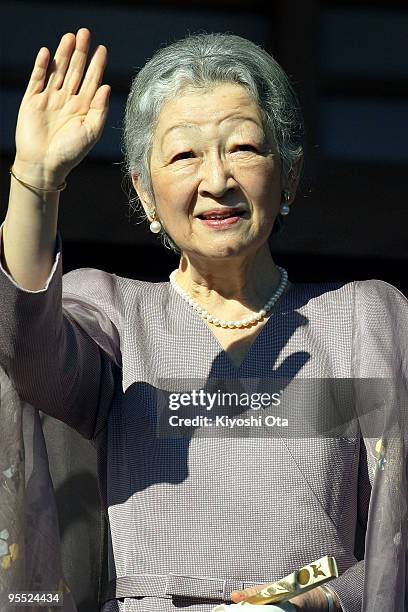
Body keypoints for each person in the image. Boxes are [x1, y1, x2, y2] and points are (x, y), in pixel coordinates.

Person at [0, 27, 407, 612]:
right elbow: (25, 347)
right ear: (145, 193)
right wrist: (36, 183)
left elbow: (399, 535)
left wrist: (311, 600)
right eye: (185, 154)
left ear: (288, 175)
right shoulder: (116, 316)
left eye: (243, 147)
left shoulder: (365, 321)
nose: (217, 181)